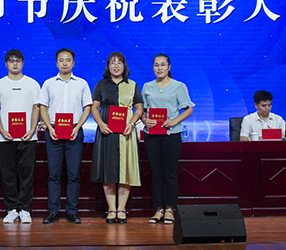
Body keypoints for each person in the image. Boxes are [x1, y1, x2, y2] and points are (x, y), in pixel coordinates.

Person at [38, 48, 92, 224]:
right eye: (61, 60)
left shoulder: (82, 83)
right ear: (56, 63)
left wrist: (78, 127)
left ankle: (72, 211)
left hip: (74, 131)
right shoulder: (48, 84)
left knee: (73, 174)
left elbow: (88, 107)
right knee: (54, 174)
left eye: (68, 60)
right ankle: (53, 211)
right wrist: (49, 127)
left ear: (73, 63)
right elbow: (43, 107)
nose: (64, 63)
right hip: (53, 131)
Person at [90, 52, 144, 224]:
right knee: (108, 170)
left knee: (125, 170)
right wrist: (100, 124)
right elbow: (94, 108)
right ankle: (111, 209)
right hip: (106, 131)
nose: (116, 65)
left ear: (124, 66)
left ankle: (122, 209)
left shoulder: (132, 85)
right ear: (108, 66)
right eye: (112, 62)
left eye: (119, 62)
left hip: (126, 131)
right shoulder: (100, 85)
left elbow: (139, 108)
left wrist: (132, 123)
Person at [141, 53, 194, 225]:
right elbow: (141, 110)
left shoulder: (179, 86)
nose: (159, 68)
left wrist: (174, 121)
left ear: (169, 67)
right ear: (153, 67)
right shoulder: (147, 86)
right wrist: (144, 120)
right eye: (156, 65)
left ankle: (170, 209)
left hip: (171, 134)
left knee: (169, 173)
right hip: (151, 135)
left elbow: (188, 109)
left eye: (163, 64)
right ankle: (159, 209)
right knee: (156, 173)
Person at [0, 49, 40, 224]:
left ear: (23, 62)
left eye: (18, 60)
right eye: (11, 60)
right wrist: (2, 130)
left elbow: (36, 108)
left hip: (28, 138)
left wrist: (32, 129)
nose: (15, 63)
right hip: (5, 138)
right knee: (8, 175)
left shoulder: (32, 84)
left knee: (27, 174)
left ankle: (25, 209)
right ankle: (12, 209)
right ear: (6, 64)